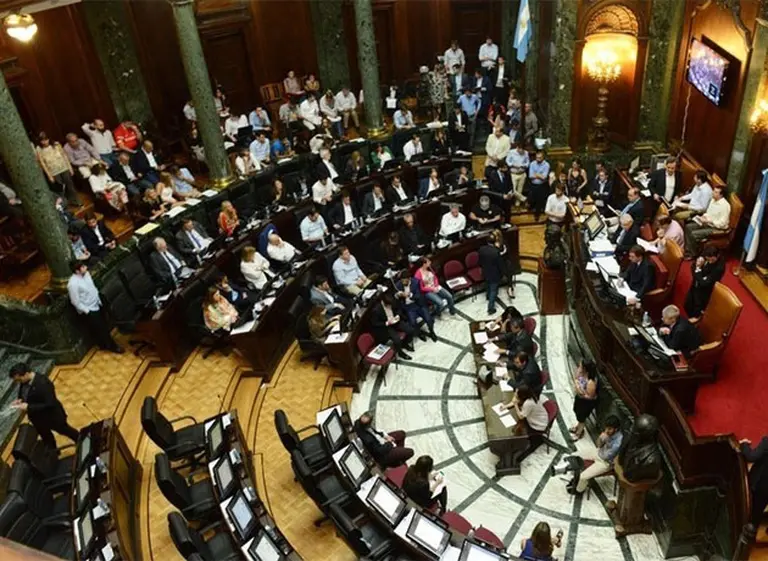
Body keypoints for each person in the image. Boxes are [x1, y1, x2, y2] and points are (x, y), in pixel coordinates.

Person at [9, 362, 80, 451]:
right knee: (47, 439)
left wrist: (29, 407)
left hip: (52, 417)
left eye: (19, 380)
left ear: (26, 374)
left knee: (67, 431)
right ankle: (54, 454)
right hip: (38, 420)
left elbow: (50, 404)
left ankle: (82, 442)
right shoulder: (24, 381)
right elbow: (25, 393)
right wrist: (20, 400)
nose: (18, 382)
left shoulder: (43, 383)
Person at [555, 415, 623, 495]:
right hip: (599, 452)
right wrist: (601, 438)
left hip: (605, 462)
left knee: (583, 477)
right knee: (574, 455)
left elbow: (606, 457)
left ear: (616, 429)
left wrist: (606, 439)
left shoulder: (618, 443)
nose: (607, 431)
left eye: (609, 429)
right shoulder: (608, 433)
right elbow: (598, 445)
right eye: (606, 428)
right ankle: (569, 473)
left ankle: (578, 490)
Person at [67, 261, 123, 353]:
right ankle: (113, 346)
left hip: (97, 303)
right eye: (83, 267)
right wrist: (87, 311)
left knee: (104, 324)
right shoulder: (72, 284)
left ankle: (103, 344)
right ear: (77, 271)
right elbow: (75, 301)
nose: (86, 267)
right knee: (101, 328)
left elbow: (92, 287)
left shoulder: (86, 274)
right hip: (89, 309)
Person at [683, 185, 731, 258]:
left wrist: (709, 221)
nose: (713, 193)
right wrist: (704, 216)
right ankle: (689, 250)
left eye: (715, 192)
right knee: (688, 227)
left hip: (717, 228)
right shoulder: (713, 200)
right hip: (707, 223)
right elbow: (708, 212)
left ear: (721, 195)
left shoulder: (725, 206)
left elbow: (722, 223)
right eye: (713, 191)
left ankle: (692, 254)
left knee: (694, 234)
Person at [500, 384, 548, 456]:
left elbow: (521, 416)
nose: (515, 394)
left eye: (516, 393)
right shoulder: (529, 396)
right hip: (537, 418)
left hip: (538, 425)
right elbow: (515, 401)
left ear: (522, 395)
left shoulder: (528, 403)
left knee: (516, 429)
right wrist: (505, 406)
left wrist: (516, 405)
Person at [36, 133, 80, 206]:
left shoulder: (56, 144)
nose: (45, 142)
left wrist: (70, 167)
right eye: (42, 140)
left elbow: (64, 155)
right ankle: (64, 204)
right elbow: (42, 163)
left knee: (70, 186)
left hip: (64, 167)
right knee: (60, 189)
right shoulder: (39, 149)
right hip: (53, 171)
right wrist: (49, 175)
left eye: (46, 139)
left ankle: (76, 201)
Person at [395, 270, 437, 341]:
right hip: (409, 307)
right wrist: (397, 295)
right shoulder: (398, 285)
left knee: (429, 319)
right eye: (402, 281)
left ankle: (432, 332)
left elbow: (418, 296)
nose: (403, 283)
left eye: (405, 281)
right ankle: (419, 333)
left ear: (409, 279)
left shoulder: (416, 282)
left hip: (418, 304)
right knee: (412, 322)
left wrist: (410, 295)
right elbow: (395, 296)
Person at [371, 293, 415, 360]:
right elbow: (375, 323)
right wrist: (386, 323)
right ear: (384, 302)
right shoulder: (376, 310)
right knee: (397, 340)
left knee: (410, 330)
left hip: (395, 321)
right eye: (388, 305)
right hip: (387, 326)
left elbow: (399, 309)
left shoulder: (392, 301)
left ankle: (405, 344)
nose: (390, 306)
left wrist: (398, 315)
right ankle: (400, 353)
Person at [737, 435, 768, 531]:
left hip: (759, 485)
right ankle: (752, 532)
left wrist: (744, 444)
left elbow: (751, 456)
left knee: (748, 511)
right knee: (757, 514)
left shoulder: (767, 442)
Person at [684, 246, 725, 318]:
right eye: (708, 260)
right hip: (695, 284)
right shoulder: (704, 255)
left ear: (717, 256)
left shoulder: (719, 268)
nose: (710, 262)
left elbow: (705, 283)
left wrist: (698, 269)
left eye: (712, 260)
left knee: (697, 308)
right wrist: (698, 274)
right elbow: (693, 266)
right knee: (688, 303)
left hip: (705, 291)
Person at [569, 360, 598, 441]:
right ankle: (577, 427)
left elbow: (591, 397)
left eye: (581, 366)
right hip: (580, 399)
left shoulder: (591, 382)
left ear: (585, 369)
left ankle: (579, 433)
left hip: (586, 403)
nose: (579, 368)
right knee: (577, 412)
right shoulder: (582, 374)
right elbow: (576, 379)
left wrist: (580, 392)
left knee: (582, 418)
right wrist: (577, 385)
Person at [479, 236, 503, 314]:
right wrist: (502, 273)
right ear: (494, 242)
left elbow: (479, 261)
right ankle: (491, 308)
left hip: (485, 272)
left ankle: (488, 296)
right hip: (494, 274)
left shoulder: (481, 249)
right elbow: (500, 265)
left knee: (487, 284)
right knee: (493, 290)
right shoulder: (496, 252)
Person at [528, 151, 550, 219]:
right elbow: (530, 176)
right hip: (533, 184)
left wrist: (536, 174)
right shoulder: (532, 164)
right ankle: (532, 207)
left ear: (543, 158)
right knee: (532, 198)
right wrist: (540, 175)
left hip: (542, 185)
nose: (538, 159)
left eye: (540, 158)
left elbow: (544, 177)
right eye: (537, 158)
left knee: (539, 200)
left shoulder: (546, 165)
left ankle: (537, 214)